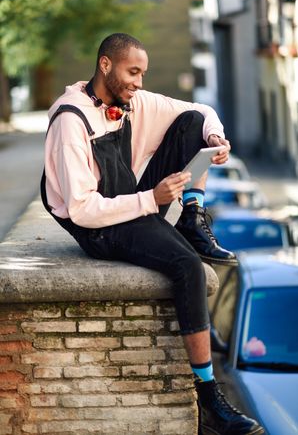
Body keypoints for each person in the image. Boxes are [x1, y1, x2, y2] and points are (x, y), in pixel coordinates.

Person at [41, 33, 264, 435]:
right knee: (187, 267)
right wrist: (151, 199)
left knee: (192, 124)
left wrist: (214, 138)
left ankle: (192, 215)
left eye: (142, 73)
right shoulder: (70, 120)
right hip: (99, 228)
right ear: (105, 65)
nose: (139, 82)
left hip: (132, 201)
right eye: (133, 72)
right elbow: (82, 209)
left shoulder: (128, 102)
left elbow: (200, 109)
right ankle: (209, 395)